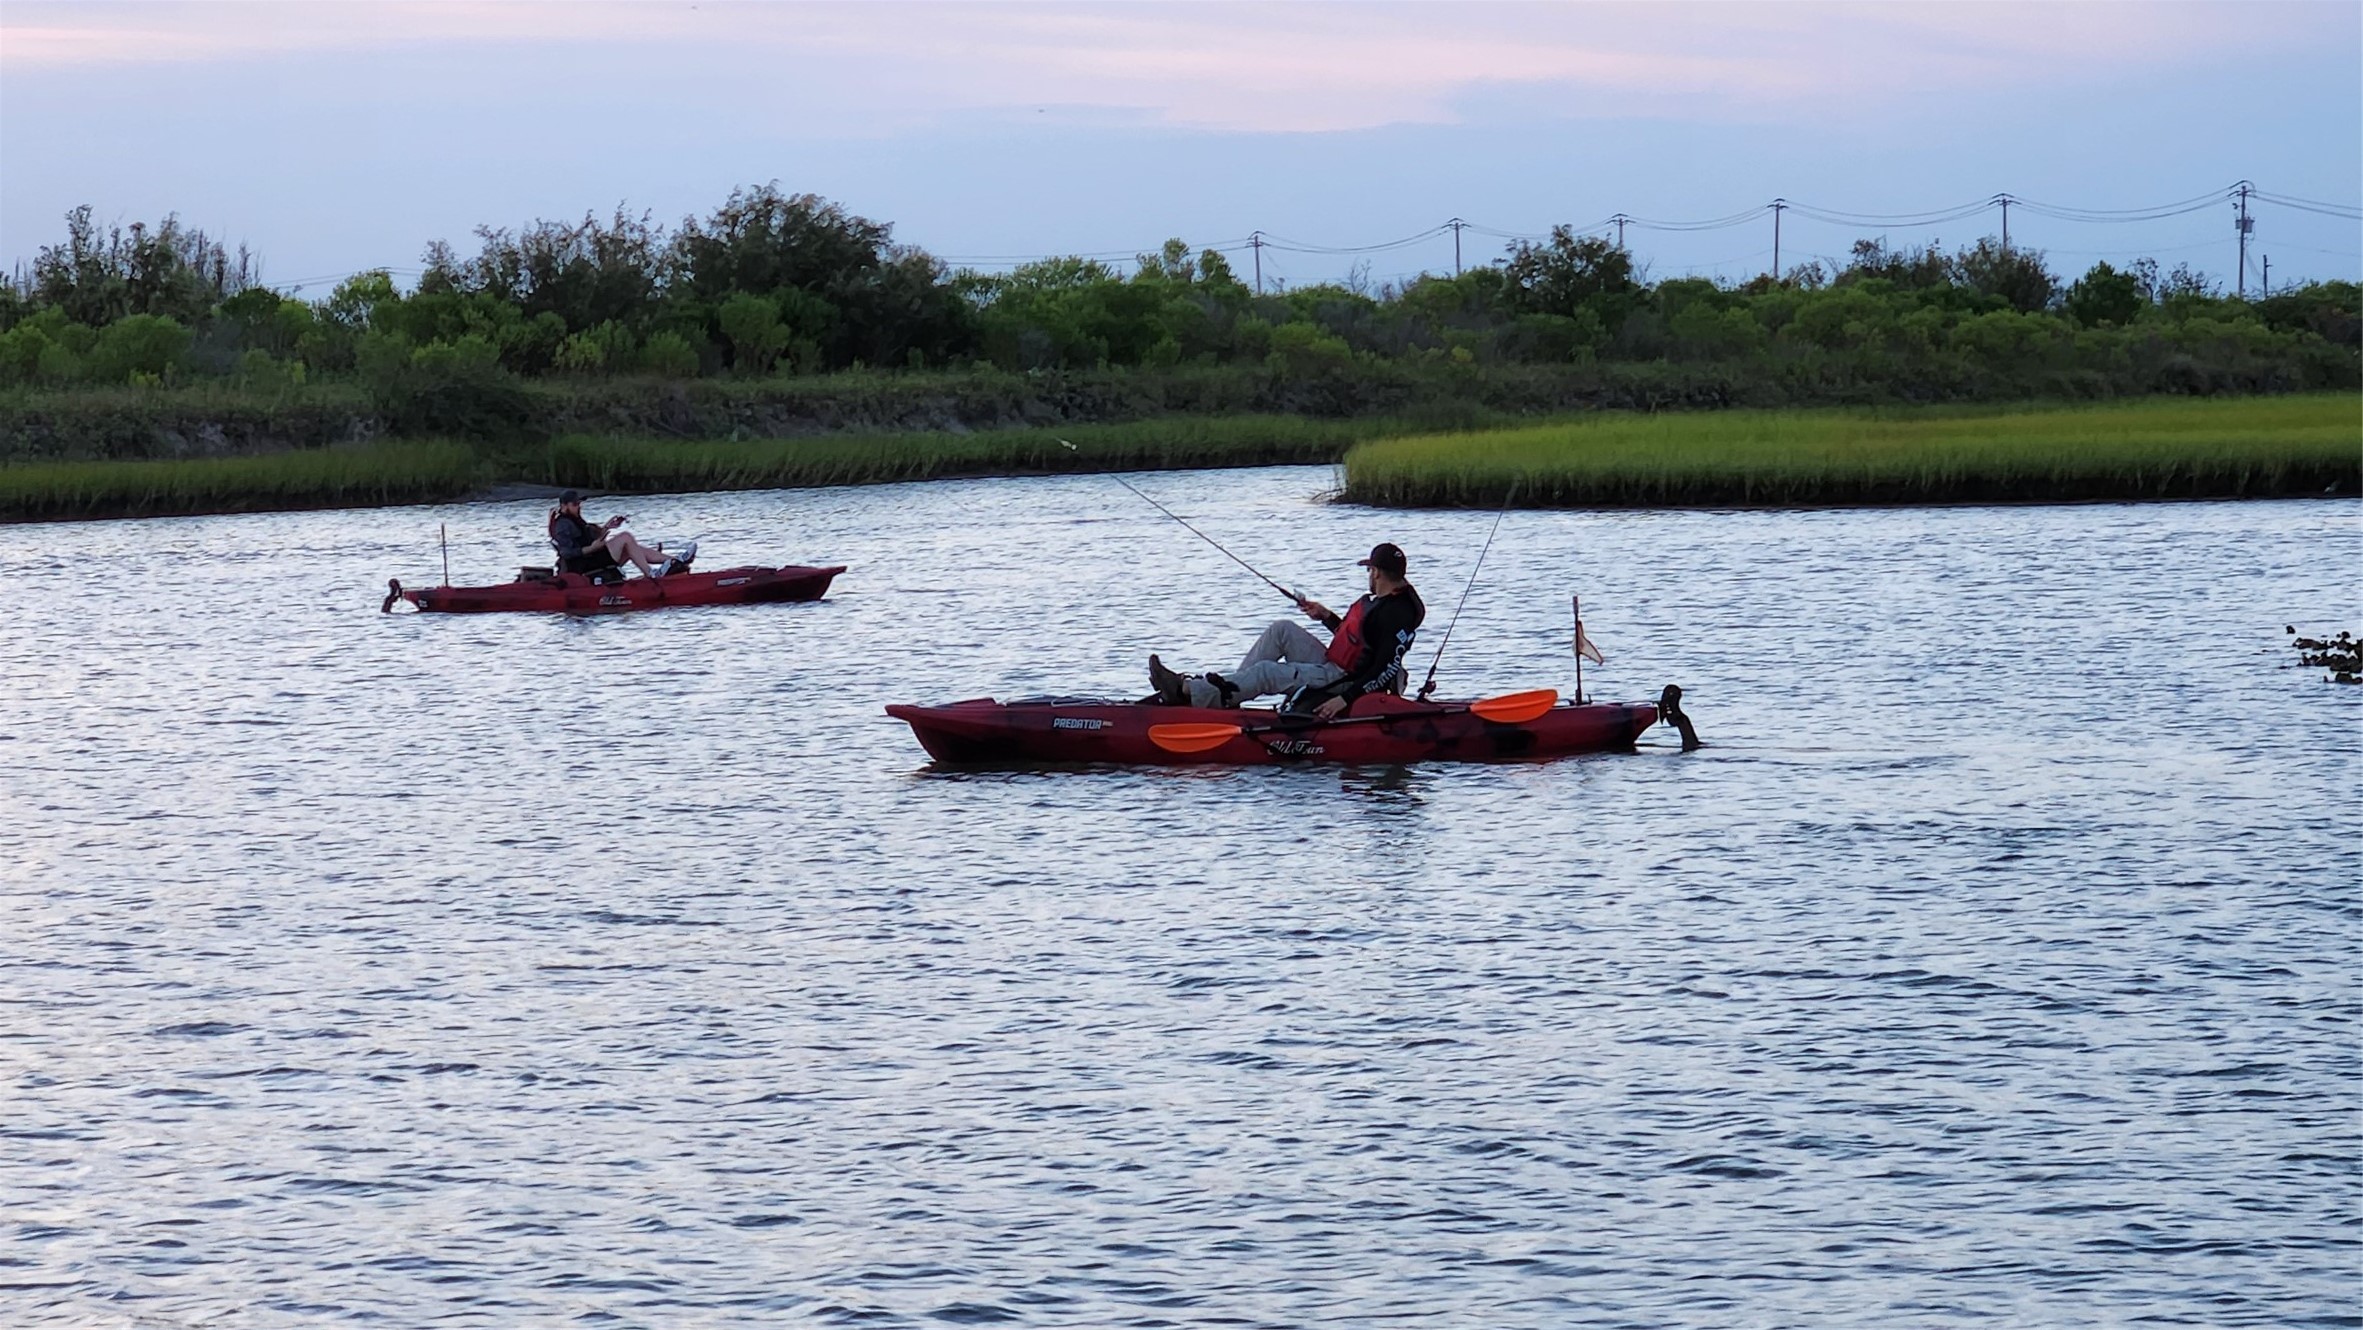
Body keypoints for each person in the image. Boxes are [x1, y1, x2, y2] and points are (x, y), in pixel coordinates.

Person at [1148, 542, 1425, 720]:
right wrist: (1326, 617)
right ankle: (1226, 695)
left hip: (1344, 680)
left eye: (1370, 571)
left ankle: (1188, 691)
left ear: (1376, 573)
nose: (1368, 576)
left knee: (1267, 672)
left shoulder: (1396, 613)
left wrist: (1344, 699)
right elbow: (1361, 642)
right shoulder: (1387, 603)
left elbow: (1385, 667)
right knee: (1281, 630)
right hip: (1337, 665)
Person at [547, 490, 691, 579]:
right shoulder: (563, 525)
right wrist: (592, 548)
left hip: (592, 557)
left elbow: (590, 539)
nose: (578, 507)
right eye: (575, 504)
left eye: (579, 504)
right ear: (564, 506)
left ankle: (676, 562)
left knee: (634, 549)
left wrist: (607, 527)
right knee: (626, 537)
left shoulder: (575, 520)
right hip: (584, 565)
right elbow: (567, 553)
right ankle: (650, 573)